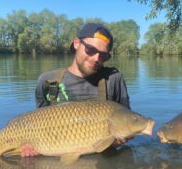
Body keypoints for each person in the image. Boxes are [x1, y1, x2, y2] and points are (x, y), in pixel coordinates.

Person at [22, 23, 131, 156]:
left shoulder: (113, 79)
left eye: (103, 56)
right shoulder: (48, 81)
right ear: (76, 43)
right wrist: (31, 148)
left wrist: (121, 138)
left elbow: (127, 122)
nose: (96, 58)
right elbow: (37, 126)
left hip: (103, 165)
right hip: (59, 165)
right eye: (91, 50)